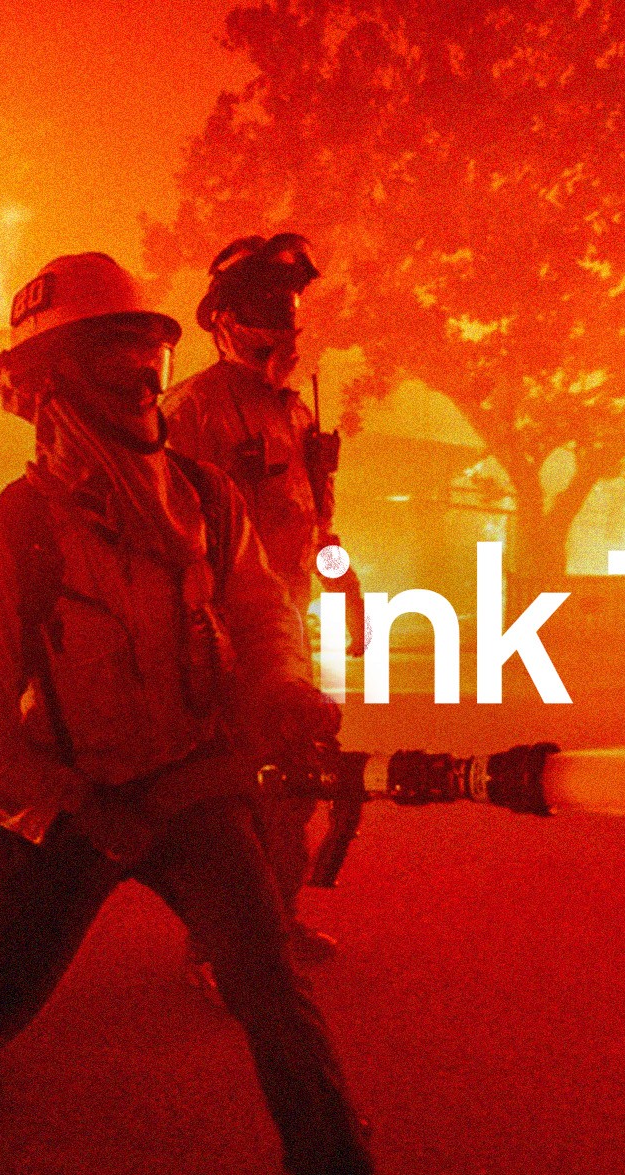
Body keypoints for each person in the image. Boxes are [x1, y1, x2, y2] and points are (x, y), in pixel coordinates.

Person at [0, 252, 390, 1175]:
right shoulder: (9, 539)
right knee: (1, 989)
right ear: (47, 385)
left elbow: (262, 614)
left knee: (270, 987)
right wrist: (75, 811)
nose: (142, 377)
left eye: (150, 352)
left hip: (190, 788)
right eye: (114, 356)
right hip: (69, 803)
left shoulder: (205, 500)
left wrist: (277, 691)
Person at [161, 233, 352, 971]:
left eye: (291, 309)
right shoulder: (190, 411)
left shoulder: (294, 414)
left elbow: (316, 523)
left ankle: (277, 923)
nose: (285, 327)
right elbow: (168, 533)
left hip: (289, 632)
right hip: (224, 636)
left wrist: (343, 581)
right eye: (267, 310)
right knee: (231, 798)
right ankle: (217, 949)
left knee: (294, 784)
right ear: (223, 321)